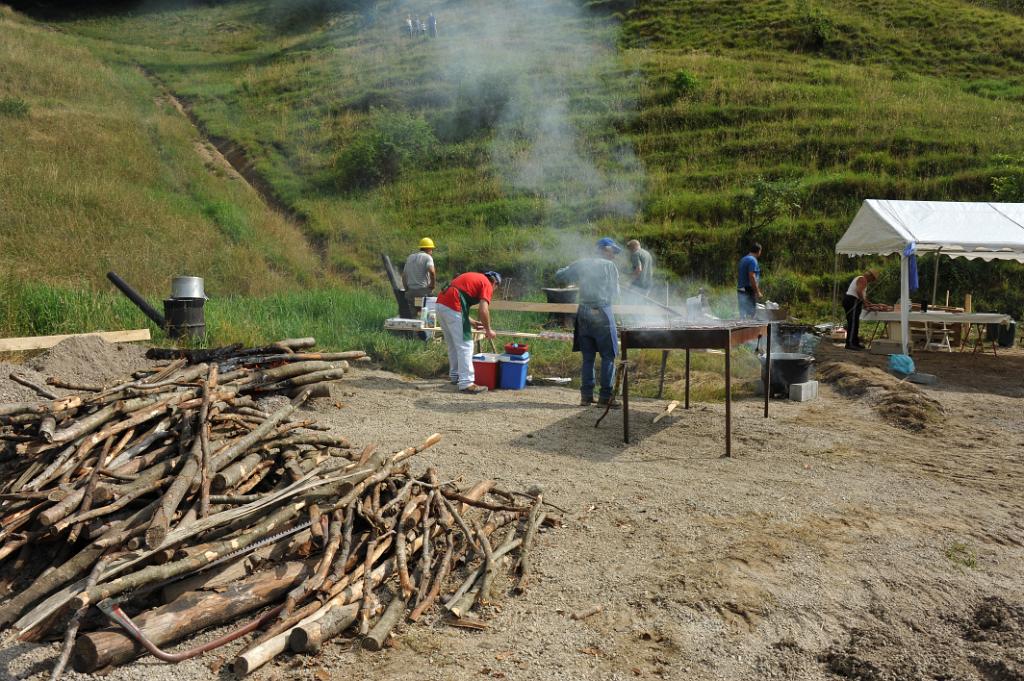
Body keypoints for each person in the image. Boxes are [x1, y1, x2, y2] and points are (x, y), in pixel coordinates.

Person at [555, 238, 621, 407]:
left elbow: (559, 276)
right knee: (608, 355)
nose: (614, 255)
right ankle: (605, 397)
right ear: (603, 249)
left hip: (583, 312)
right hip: (602, 310)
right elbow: (616, 293)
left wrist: (574, 266)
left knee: (588, 357)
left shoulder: (582, 264)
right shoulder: (609, 266)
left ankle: (586, 396)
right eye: (612, 251)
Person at [436, 271, 501, 394]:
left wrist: (471, 322)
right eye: (496, 287)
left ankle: (455, 376)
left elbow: (460, 301)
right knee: (466, 345)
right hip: (452, 304)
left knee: (453, 345)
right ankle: (466, 383)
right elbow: (483, 310)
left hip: (440, 304)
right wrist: (488, 330)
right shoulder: (487, 284)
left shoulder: (475, 278)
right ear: (495, 282)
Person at [842, 269, 878, 350]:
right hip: (853, 300)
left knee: (854, 322)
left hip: (850, 300)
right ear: (870, 276)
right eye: (872, 279)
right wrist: (864, 302)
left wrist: (867, 302)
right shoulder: (863, 279)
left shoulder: (861, 279)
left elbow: (861, 294)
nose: (872, 281)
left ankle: (855, 342)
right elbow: (858, 292)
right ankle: (850, 343)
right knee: (853, 323)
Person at [402, 237, 436, 315]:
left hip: (410, 293)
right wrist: (432, 285)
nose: (432, 252)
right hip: (423, 292)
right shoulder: (428, 257)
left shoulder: (410, 257)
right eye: (432, 249)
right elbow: (432, 272)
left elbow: (404, 275)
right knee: (429, 312)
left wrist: (407, 288)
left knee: (412, 315)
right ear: (428, 249)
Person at [737, 243, 763, 319]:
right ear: (759, 251)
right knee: (752, 314)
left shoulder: (743, 259)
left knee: (743, 314)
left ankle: (742, 329)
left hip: (740, 289)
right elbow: (752, 276)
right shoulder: (753, 260)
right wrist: (757, 292)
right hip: (748, 289)